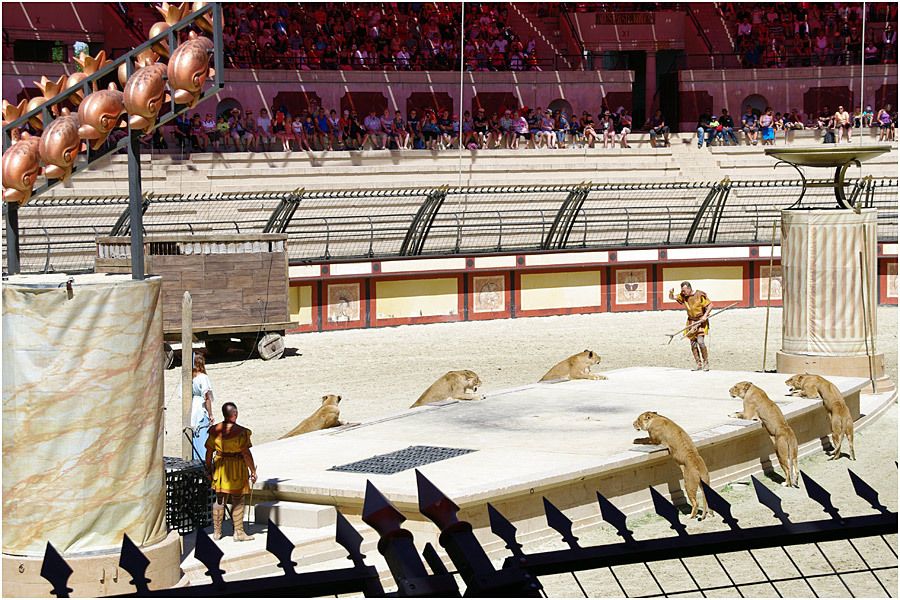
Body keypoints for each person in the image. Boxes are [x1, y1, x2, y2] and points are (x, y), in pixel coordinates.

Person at [205, 402, 257, 542]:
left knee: (219, 499)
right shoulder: (241, 432)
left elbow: (209, 451)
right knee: (238, 499)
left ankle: (217, 533)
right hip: (236, 468)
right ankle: (238, 532)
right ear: (234, 414)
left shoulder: (214, 430)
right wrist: (252, 470)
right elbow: (246, 453)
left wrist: (208, 469)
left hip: (220, 467)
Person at [669, 281, 713, 371]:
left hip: (701, 320)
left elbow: (710, 305)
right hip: (691, 321)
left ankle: (706, 362)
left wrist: (705, 316)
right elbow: (672, 298)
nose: (683, 292)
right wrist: (670, 293)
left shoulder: (700, 295)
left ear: (689, 288)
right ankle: (698, 364)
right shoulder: (684, 295)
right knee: (693, 343)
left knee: (700, 341)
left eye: (684, 290)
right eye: (682, 291)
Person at [190, 354, 215, 461]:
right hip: (201, 408)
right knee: (204, 437)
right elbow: (206, 397)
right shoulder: (203, 378)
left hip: (192, 407)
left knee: (195, 438)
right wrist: (210, 414)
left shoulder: (190, 378)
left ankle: (196, 462)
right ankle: (205, 464)